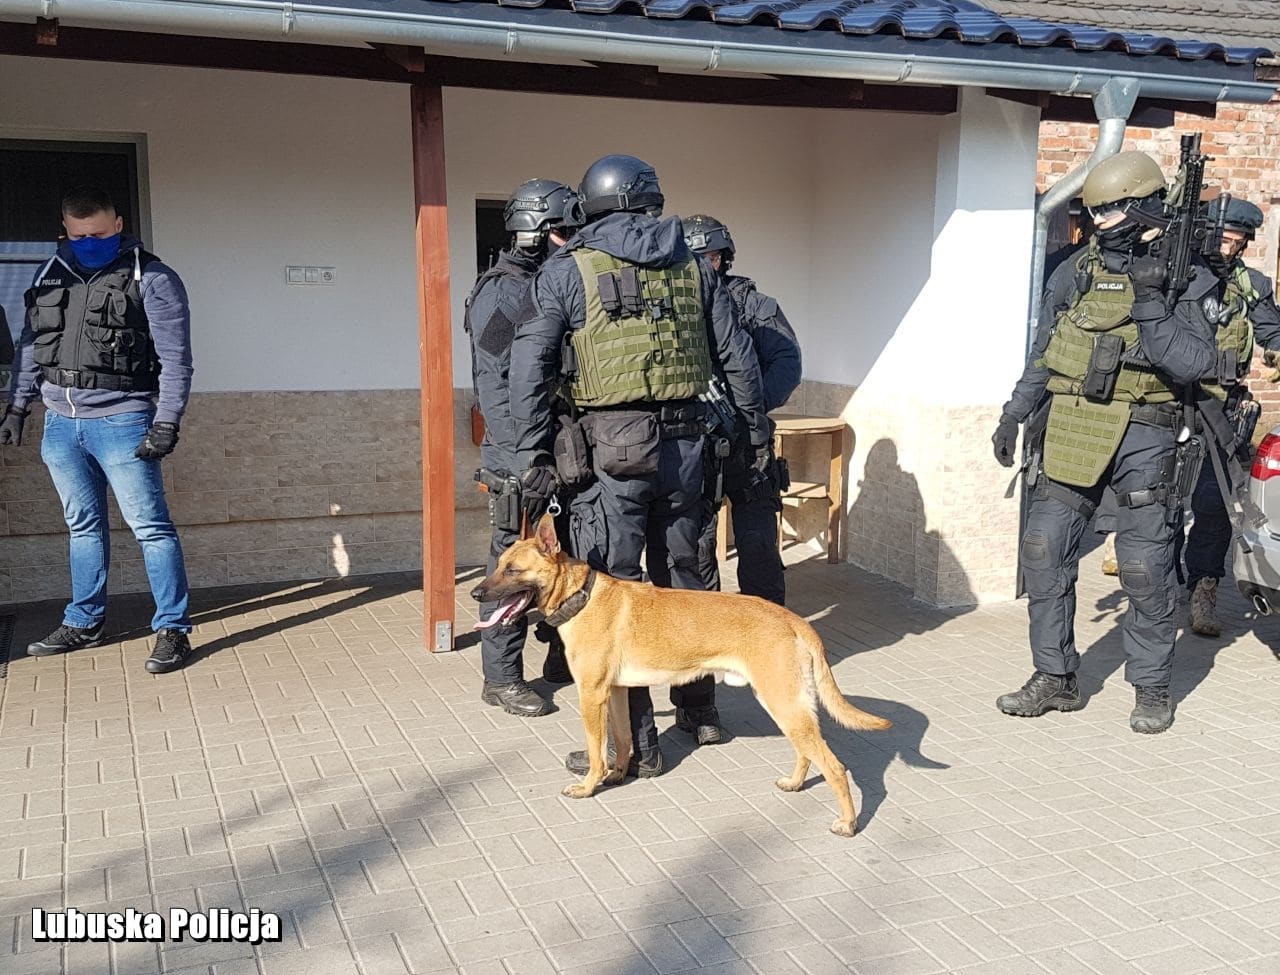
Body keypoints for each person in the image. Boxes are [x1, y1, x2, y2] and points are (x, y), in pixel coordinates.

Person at [509, 154, 770, 775]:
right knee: (688, 580)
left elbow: (529, 368)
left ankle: (637, 749)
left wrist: (530, 453)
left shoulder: (567, 269)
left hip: (611, 452)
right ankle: (701, 714)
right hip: (688, 448)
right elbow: (736, 356)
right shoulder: (694, 265)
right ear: (651, 201)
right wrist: (755, 433)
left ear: (590, 205)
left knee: (611, 596)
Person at [992, 151, 1218, 734]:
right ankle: (1055, 677)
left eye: (1112, 210)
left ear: (1144, 209)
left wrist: (1151, 301)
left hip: (1147, 431)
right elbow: (1047, 351)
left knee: (1143, 567)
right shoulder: (1077, 270)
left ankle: (1152, 687)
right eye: (1095, 211)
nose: (1100, 221)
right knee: (1043, 549)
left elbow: (1193, 363)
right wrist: (1014, 413)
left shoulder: (1187, 275)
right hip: (1073, 424)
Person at [0, 186, 195, 673]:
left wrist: (167, 422)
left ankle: (173, 629)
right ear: (65, 230)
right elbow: (31, 344)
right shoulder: (50, 273)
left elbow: (176, 360)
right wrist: (17, 407)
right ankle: (84, 622)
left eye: (100, 235)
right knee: (82, 527)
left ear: (119, 225)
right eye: (80, 236)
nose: (90, 243)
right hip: (60, 425)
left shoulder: (153, 278)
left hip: (123, 420)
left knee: (150, 528)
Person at [649, 214, 799, 612]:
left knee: (758, 543)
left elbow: (787, 362)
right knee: (696, 547)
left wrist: (750, 405)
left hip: (748, 439)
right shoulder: (670, 306)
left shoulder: (754, 305)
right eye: (695, 257)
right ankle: (711, 629)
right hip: (695, 443)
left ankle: (768, 628)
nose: (704, 265)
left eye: (712, 257)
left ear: (724, 258)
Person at [468, 178, 578, 717]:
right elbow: (494, 383)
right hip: (519, 454)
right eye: (562, 231)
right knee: (511, 563)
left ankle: (559, 655)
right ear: (535, 232)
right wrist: (524, 459)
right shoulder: (502, 291)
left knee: (565, 554)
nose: (571, 240)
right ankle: (502, 677)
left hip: (557, 446)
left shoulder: (548, 283)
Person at [1183, 196, 1280, 636]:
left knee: (1214, 504)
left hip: (1222, 409)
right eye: (1222, 237)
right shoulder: (1178, 275)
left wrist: (1276, 350)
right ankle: (1156, 587)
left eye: (1236, 239)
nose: (1227, 246)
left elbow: (1272, 330)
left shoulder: (1250, 284)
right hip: (1168, 404)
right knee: (1159, 504)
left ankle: (1203, 589)